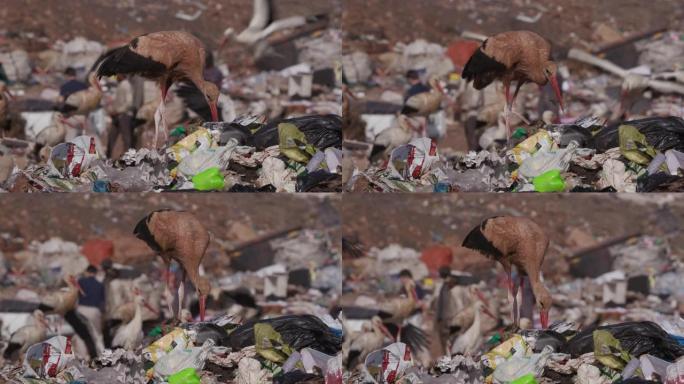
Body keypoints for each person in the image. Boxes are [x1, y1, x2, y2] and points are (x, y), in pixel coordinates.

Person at [77, 265, 106, 356]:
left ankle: (83, 355)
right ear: (95, 273)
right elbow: (102, 302)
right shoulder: (100, 285)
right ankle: (102, 355)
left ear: (87, 272)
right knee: (97, 335)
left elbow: (76, 296)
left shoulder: (80, 282)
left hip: (81, 309)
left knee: (82, 334)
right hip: (94, 310)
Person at [107, 75, 135, 157]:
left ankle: (129, 159)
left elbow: (129, 103)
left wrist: (118, 111)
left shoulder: (126, 85)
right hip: (117, 116)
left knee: (126, 138)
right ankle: (108, 157)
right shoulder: (120, 85)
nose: (116, 76)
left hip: (124, 115)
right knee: (112, 137)